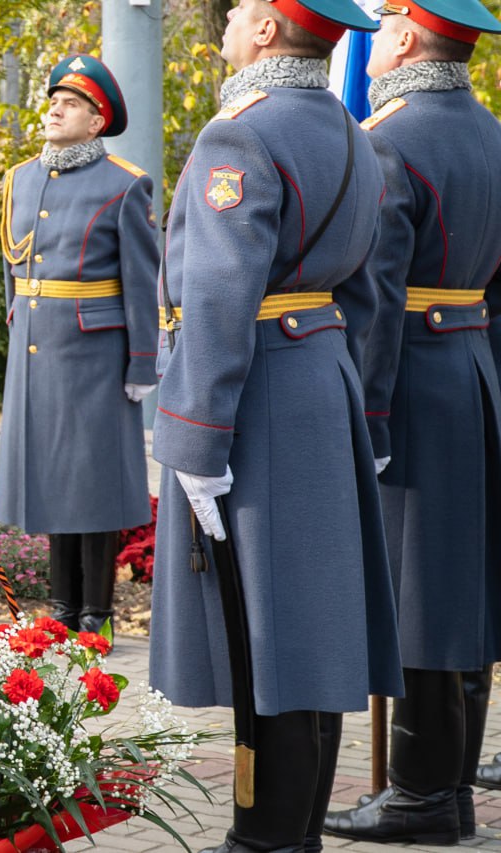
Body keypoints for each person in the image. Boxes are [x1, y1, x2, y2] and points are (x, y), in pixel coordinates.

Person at [147, 0, 405, 849]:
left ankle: (264, 839)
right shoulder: (353, 133)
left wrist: (195, 436)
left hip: (254, 391)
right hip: (322, 380)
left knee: (268, 632)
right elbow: (366, 294)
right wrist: (357, 407)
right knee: (312, 629)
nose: (226, 16)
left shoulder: (240, 134)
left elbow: (218, 295)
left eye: (241, 7)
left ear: (266, 30)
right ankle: (294, 833)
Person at [320, 0, 501, 845]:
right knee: (461, 586)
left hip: (412, 384)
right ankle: (450, 789)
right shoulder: (492, 134)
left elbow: (376, 301)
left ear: (402, 36)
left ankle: (421, 796)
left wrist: (367, 418)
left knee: (422, 592)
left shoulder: (386, 139)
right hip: (473, 368)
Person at [0, 54, 157, 638]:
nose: (55, 110)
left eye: (71, 104)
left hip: (95, 355)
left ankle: (97, 613)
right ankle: (61, 608)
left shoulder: (125, 183)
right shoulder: (20, 177)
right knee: (51, 479)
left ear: (96, 122)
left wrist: (143, 363)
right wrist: (18, 329)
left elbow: (143, 280)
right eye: (54, 101)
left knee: (94, 484)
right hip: (36, 351)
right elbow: (13, 273)